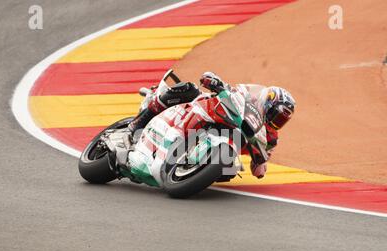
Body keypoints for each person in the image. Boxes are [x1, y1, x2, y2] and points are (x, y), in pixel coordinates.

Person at [117, 72, 296, 179]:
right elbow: (230, 90)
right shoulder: (248, 97)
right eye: (276, 114)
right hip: (208, 111)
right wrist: (216, 82)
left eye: (281, 120)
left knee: (229, 171)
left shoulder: (270, 137)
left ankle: (192, 165)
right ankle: (136, 124)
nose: (276, 121)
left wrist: (260, 163)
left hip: (228, 139)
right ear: (267, 103)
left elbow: (260, 167)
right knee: (188, 89)